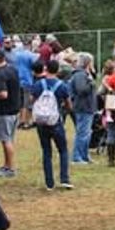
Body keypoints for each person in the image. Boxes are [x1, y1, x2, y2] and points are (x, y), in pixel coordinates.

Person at [30, 60, 73, 190]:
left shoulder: (38, 84)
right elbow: (69, 105)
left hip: (41, 122)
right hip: (55, 121)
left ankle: (49, 182)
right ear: (58, 70)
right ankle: (64, 178)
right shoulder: (62, 86)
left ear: (45, 69)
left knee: (47, 151)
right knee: (63, 150)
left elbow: (31, 100)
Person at [0, 49, 21, 177]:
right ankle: (7, 164)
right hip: (15, 108)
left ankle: (10, 168)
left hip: (5, 111)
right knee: (10, 139)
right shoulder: (13, 69)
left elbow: (3, 94)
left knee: (6, 140)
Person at [70, 52, 97, 165]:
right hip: (83, 107)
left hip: (88, 107)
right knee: (82, 132)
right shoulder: (80, 75)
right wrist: (90, 83)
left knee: (87, 132)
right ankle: (77, 156)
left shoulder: (86, 74)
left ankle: (85, 155)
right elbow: (81, 90)